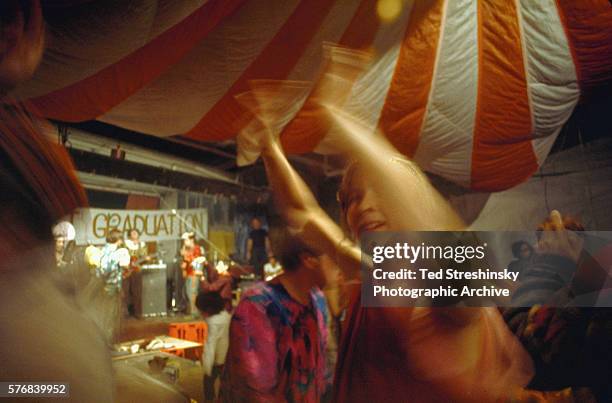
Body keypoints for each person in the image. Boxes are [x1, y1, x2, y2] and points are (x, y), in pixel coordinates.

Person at [249, 96, 535, 401]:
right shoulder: (370, 272)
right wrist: (269, 146)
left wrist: (340, 118)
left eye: (380, 191)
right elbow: (304, 214)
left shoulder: (450, 288)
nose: (363, 207)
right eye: (353, 198)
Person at [221, 236, 332, 402]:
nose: (342, 268)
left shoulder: (317, 299)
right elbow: (256, 391)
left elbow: (321, 373)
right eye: (334, 258)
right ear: (308, 260)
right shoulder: (259, 305)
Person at [196, 290, 232, 403]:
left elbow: (210, 345)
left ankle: (209, 400)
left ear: (208, 309)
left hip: (216, 361)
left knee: (208, 382)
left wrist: (207, 367)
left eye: (201, 310)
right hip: (228, 358)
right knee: (226, 384)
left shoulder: (213, 323)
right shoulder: (227, 316)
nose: (200, 313)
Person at [180, 231, 204, 315]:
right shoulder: (187, 249)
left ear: (191, 240)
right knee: (188, 292)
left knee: (193, 292)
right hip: (189, 273)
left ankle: (195, 312)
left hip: (194, 274)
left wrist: (186, 258)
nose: (185, 242)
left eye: (186, 240)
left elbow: (195, 261)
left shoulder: (197, 249)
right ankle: (191, 310)